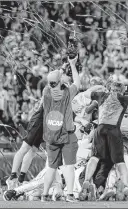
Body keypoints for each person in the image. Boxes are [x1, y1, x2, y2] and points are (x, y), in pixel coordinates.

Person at [80, 78, 128, 201]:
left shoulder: (101, 95)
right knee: (119, 161)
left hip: (100, 129)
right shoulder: (125, 98)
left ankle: (87, 180)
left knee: (94, 157)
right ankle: (125, 186)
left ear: (110, 88)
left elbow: (86, 94)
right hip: (114, 130)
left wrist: (98, 87)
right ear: (122, 90)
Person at [40, 55, 80, 202]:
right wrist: (72, 64)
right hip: (67, 134)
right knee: (69, 166)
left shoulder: (46, 93)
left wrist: (61, 69)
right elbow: (77, 82)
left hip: (50, 134)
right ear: (61, 81)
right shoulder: (68, 93)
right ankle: (69, 194)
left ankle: (45, 195)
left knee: (51, 167)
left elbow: (53, 79)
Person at [6, 104, 44, 190]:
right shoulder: (48, 91)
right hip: (37, 122)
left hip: (43, 125)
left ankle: (21, 179)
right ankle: (12, 177)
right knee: (25, 148)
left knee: (33, 151)